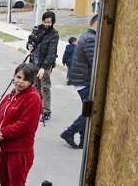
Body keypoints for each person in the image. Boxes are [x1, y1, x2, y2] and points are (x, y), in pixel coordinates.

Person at [0, 63, 42, 186]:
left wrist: (1, 133)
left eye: (25, 79)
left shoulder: (33, 98)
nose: (20, 81)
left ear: (31, 82)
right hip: (1, 149)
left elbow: (25, 125)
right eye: (18, 77)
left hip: (19, 153)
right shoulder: (11, 95)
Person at [60, 15, 99, 149]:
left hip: (81, 79)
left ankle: (83, 140)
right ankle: (69, 132)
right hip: (84, 80)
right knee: (90, 110)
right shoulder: (91, 39)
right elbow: (95, 62)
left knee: (87, 108)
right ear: (97, 23)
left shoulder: (87, 36)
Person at [27, 11, 59, 122]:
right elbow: (30, 40)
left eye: (49, 22)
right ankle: (37, 107)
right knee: (35, 86)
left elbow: (51, 53)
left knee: (45, 87)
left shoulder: (54, 34)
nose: (46, 24)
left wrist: (44, 67)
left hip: (45, 65)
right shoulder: (37, 29)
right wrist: (29, 45)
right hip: (34, 62)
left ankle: (46, 111)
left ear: (52, 22)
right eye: (45, 22)